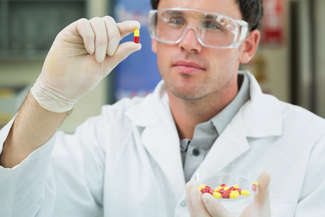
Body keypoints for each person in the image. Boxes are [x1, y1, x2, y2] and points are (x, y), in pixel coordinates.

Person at [0, 0, 324, 216]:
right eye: (174, 20)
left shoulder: (312, 144)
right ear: (154, 34)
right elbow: (15, 206)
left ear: (247, 46)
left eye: (212, 24)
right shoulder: (111, 133)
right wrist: (49, 96)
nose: (188, 41)